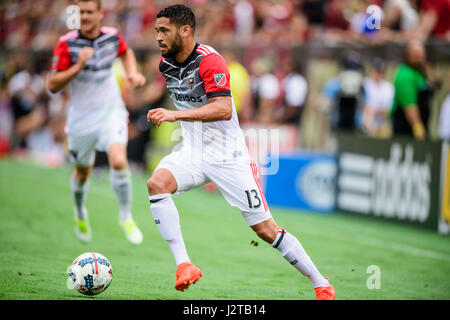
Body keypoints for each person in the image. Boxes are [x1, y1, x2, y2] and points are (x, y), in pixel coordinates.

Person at [146, 4, 335, 300]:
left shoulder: (211, 62)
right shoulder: (165, 64)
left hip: (228, 156)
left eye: (164, 30)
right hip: (192, 153)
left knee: (265, 230)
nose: (158, 37)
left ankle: (320, 282)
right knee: (156, 185)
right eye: (157, 30)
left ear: (185, 31)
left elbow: (223, 109)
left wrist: (175, 116)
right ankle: (184, 265)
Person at [47, 0, 146, 244]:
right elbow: (52, 85)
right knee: (82, 173)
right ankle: (80, 211)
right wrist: (78, 65)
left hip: (111, 111)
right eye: (81, 12)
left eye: (90, 12)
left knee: (119, 160)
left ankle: (125, 216)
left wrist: (131, 73)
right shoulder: (66, 43)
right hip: (81, 118)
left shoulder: (113, 36)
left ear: (100, 14)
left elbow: (125, 52)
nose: (85, 17)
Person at [391, 39, 436, 140]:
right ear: (408, 56)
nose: (420, 57)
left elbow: (436, 83)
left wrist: (426, 69)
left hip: (423, 124)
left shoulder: (420, 72)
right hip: (407, 131)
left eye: (422, 54)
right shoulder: (405, 75)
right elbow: (410, 106)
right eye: (416, 54)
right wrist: (418, 128)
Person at [362, 58, 394, 138]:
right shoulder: (364, 84)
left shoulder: (388, 87)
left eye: (380, 72)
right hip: (365, 125)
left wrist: (374, 111)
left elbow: (388, 110)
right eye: (376, 71)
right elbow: (362, 106)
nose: (378, 74)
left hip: (382, 125)